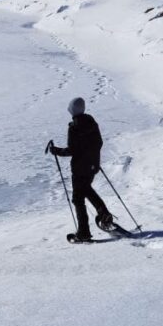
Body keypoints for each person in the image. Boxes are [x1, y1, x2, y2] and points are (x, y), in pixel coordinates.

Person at [49, 97, 114, 242]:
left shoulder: (75, 127)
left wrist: (56, 151)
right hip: (93, 166)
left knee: (78, 199)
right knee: (87, 190)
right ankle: (104, 215)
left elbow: (73, 150)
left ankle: (84, 232)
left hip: (79, 168)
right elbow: (98, 142)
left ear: (72, 109)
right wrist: (92, 157)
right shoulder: (92, 122)